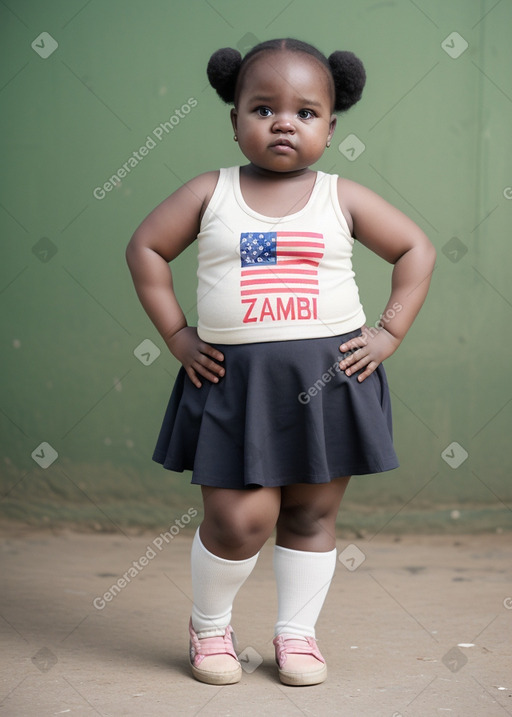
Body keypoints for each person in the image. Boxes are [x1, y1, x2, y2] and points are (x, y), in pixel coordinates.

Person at [126, 38, 436, 687]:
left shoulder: (339, 196)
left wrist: (388, 333)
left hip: (331, 379)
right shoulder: (212, 191)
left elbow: (415, 249)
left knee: (309, 513)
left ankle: (296, 632)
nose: (283, 122)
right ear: (235, 119)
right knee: (241, 518)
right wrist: (179, 334)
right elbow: (147, 249)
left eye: (305, 111)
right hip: (239, 383)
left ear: (330, 124)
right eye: (263, 108)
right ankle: (210, 625)